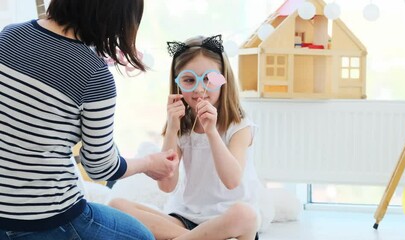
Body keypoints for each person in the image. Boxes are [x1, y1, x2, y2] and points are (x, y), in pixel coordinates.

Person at [0, 0, 179, 239]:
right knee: (142, 236)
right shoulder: (95, 74)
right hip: (48, 219)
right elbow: (100, 167)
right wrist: (149, 163)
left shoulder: (10, 34)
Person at [109, 34, 262, 240]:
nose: (200, 89)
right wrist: (172, 129)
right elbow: (167, 186)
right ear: (178, 83)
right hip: (186, 220)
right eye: (189, 80)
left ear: (223, 79)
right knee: (116, 206)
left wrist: (211, 132)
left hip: (227, 221)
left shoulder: (239, 125)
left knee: (247, 215)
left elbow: (232, 181)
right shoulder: (182, 125)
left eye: (209, 79)